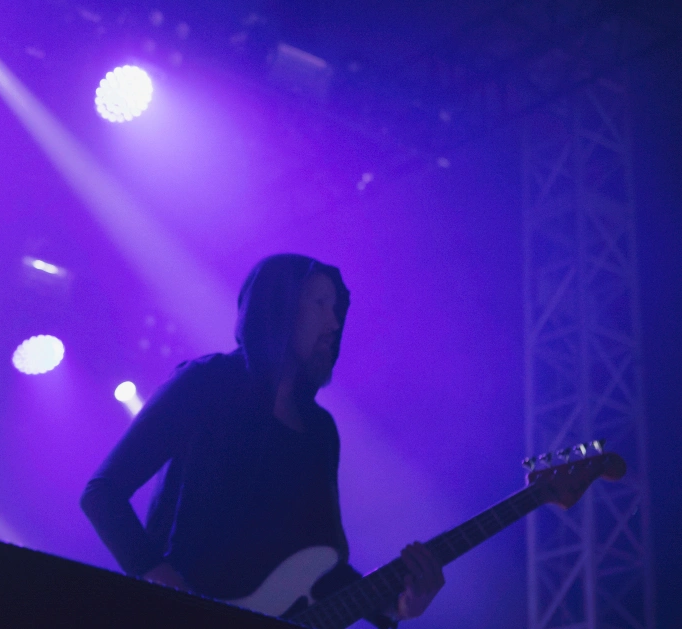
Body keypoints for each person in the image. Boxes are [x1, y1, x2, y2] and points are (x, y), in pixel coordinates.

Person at [80, 254, 444, 626]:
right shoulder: (207, 382)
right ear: (278, 306)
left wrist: (397, 605)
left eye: (336, 309)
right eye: (320, 304)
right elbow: (103, 493)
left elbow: (322, 566)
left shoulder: (319, 430)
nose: (334, 323)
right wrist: (161, 580)